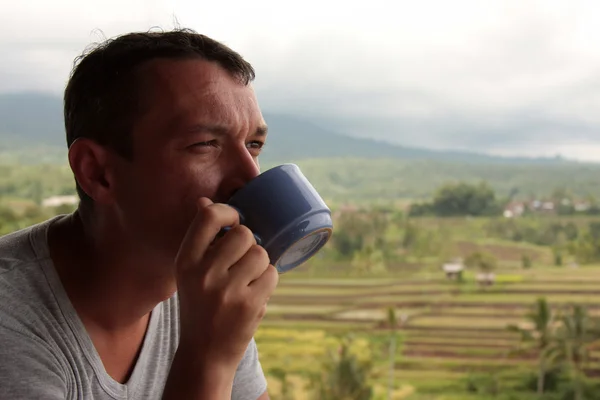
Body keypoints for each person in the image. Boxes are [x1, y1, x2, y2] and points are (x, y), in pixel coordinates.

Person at [0, 28, 279, 399]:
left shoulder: (201, 295)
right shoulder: (12, 322)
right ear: (97, 172)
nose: (249, 178)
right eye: (205, 145)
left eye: (253, 145)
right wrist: (209, 358)